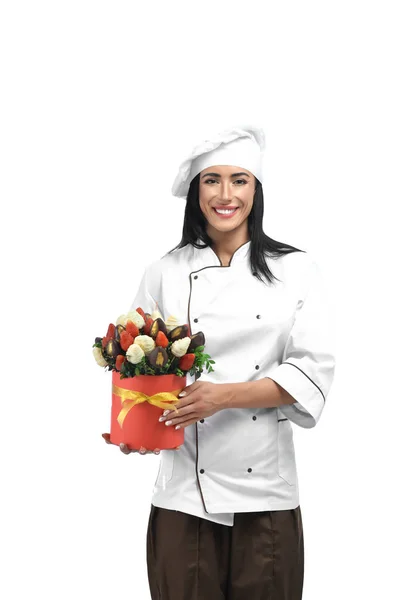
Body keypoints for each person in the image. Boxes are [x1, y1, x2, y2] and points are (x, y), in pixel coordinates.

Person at [103, 124, 336, 599]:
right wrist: (139, 429)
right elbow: (138, 365)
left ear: (257, 188)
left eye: (240, 180)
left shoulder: (297, 270)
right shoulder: (164, 271)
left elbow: (311, 370)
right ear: (195, 191)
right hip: (183, 491)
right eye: (212, 180)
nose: (226, 194)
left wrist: (222, 398)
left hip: (266, 492)